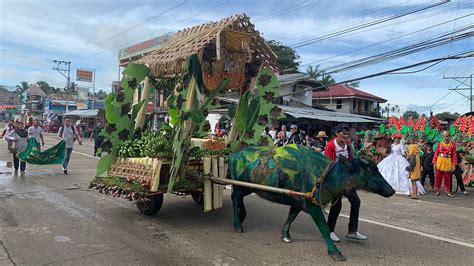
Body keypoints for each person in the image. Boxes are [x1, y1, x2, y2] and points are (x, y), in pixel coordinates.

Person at [325, 123, 367, 242]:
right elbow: (328, 164)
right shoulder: (330, 146)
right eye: (343, 134)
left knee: (356, 202)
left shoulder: (348, 145)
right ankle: (329, 231)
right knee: (336, 205)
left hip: (347, 179)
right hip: (335, 179)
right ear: (337, 134)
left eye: (347, 134)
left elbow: (350, 159)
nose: (346, 136)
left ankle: (352, 231)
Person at [432, 131, 457, 197]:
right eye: (444, 136)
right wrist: (434, 162)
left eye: (447, 136)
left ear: (449, 136)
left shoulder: (452, 144)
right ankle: (437, 191)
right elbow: (436, 153)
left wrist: (454, 164)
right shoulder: (440, 143)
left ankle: (447, 191)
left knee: (447, 177)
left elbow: (454, 155)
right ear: (443, 136)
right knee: (438, 177)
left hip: (448, 161)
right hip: (440, 160)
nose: (446, 137)